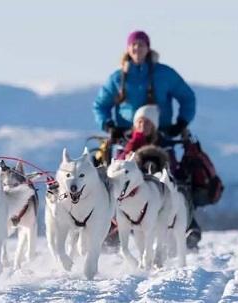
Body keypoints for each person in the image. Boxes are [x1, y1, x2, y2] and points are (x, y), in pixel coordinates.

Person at [93, 31, 200, 251]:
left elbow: (187, 97)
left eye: (141, 46)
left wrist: (180, 123)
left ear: (148, 48)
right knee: (117, 178)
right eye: (133, 46)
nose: (137, 50)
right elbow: (100, 105)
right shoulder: (118, 78)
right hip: (127, 137)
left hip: (162, 137)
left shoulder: (164, 74)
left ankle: (187, 224)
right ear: (128, 49)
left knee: (172, 177)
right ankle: (114, 226)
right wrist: (109, 125)